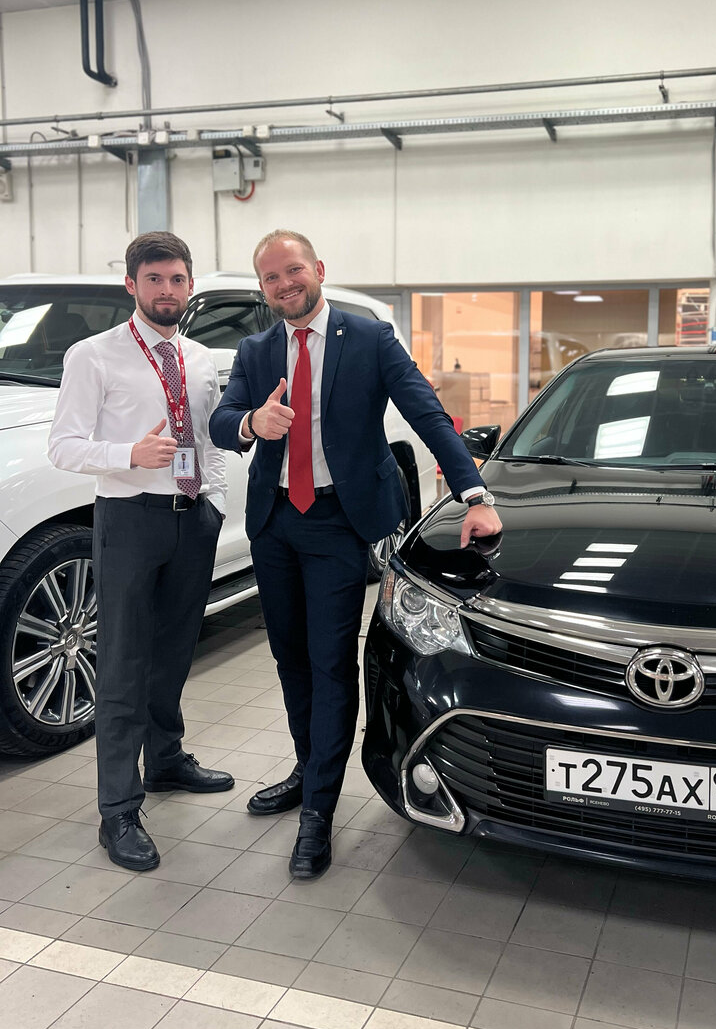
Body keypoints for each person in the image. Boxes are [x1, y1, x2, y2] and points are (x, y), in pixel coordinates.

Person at [210, 229, 501, 880]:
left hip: (338, 525)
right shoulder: (256, 351)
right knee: (289, 658)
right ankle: (306, 766)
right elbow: (222, 422)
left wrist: (474, 493)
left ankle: (319, 810)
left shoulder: (368, 338)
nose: (284, 285)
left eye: (293, 270)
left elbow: (427, 412)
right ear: (263, 289)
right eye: (271, 278)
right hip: (274, 524)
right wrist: (252, 423)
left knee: (330, 663)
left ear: (317, 268)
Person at [48, 233, 234, 872]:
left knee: (176, 651)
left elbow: (205, 437)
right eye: (154, 279)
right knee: (124, 663)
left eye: (177, 279)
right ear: (132, 285)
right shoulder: (93, 356)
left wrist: (212, 499)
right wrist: (128, 453)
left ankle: (166, 761)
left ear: (190, 286)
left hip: (192, 518)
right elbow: (64, 446)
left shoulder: (198, 358)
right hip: (129, 519)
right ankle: (118, 809)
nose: (166, 290)